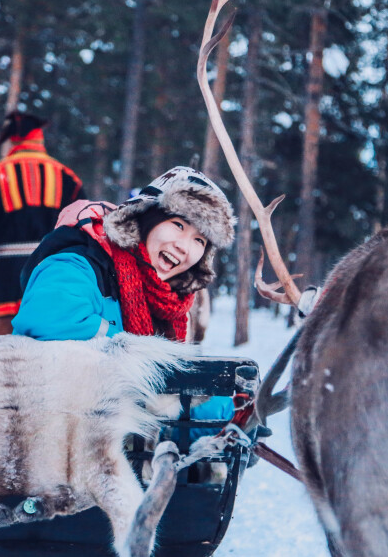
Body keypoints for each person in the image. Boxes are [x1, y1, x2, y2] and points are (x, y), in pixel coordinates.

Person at [12, 165, 237, 429]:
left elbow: (160, 416)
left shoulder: (163, 302)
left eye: (200, 240)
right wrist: (158, 364)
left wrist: (225, 413)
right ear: (147, 218)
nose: (184, 246)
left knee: (221, 409)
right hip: (54, 435)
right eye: (178, 225)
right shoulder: (81, 263)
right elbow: (47, 318)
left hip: (114, 442)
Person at [0, 110, 84, 335]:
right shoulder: (68, 177)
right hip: (51, 273)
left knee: (3, 353)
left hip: (5, 276)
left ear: (14, 139)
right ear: (39, 138)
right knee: (48, 350)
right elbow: (83, 231)